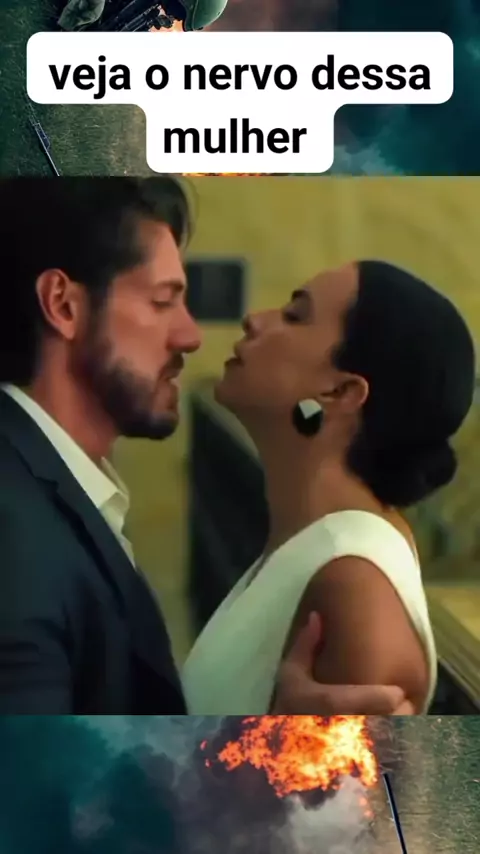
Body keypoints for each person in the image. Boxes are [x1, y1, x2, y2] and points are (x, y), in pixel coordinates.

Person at [0, 176, 411, 714]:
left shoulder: (48, 488)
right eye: (162, 301)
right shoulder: (13, 530)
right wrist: (278, 747)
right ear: (63, 305)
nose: (190, 336)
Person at [182, 258, 476, 714]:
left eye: (294, 315)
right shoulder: (316, 543)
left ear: (340, 393)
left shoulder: (353, 588)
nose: (255, 320)